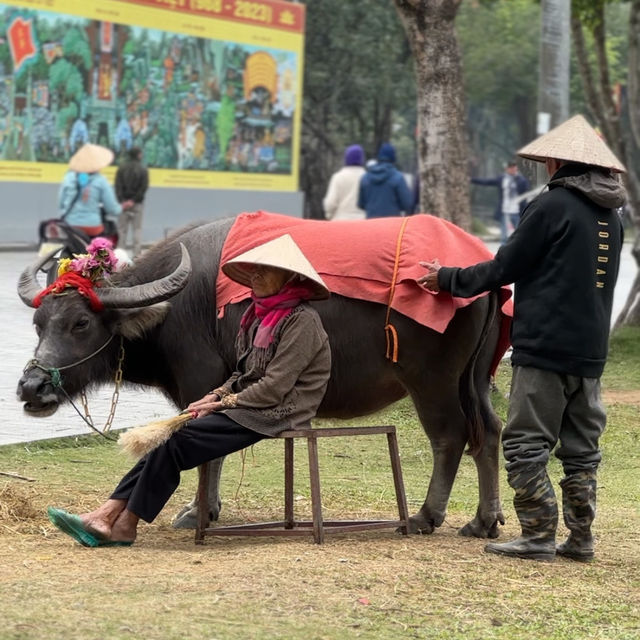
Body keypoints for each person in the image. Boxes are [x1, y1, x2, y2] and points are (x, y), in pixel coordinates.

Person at [418, 114, 627, 562]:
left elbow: (503, 269)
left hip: (545, 349)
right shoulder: (613, 214)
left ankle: (535, 535)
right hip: (591, 353)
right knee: (581, 449)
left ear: (555, 161)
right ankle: (580, 539)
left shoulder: (552, 206)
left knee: (526, 443)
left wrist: (446, 278)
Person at [46, 234, 332, 547]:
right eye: (254, 270)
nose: (256, 277)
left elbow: (276, 387)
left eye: (265, 271)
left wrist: (223, 405)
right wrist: (215, 395)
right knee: (168, 439)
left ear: (289, 279)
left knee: (177, 442)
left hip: (279, 412)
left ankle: (126, 522)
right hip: (250, 408)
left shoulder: (302, 322)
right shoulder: (257, 317)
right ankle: (107, 513)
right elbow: (243, 372)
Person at [58, 143, 122, 238]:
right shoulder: (101, 181)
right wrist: (120, 209)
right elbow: (111, 208)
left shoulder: (69, 178)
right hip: (93, 227)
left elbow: (61, 203)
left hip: (70, 225)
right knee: (102, 248)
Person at [472, 159, 530, 243]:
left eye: (514, 168)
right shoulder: (502, 179)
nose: (513, 170)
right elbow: (488, 182)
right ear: (507, 169)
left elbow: (526, 193)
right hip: (505, 211)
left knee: (519, 234)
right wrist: (473, 180)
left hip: (517, 211)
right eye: (510, 168)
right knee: (504, 236)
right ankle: (503, 254)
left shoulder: (521, 180)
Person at [358, 142, 414, 218]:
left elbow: (361, 204)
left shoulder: (365, 177)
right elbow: (407, 204)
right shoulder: (398, 177)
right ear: (393, 157)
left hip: (371, 223)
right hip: (392, 224)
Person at [115, 146, 150, 257]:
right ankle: (136, 257)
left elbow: (118, 186)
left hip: (123, 205)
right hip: (137, 205)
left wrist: (123, 201)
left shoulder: (121, 168)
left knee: (122, 231)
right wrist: (134, 200)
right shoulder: (143, 169)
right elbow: (143, 187)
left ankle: (119, 257)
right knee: (137, 230)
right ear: (139, 155)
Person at [322, 144, 366, 220]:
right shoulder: (366, 177)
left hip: (340, 222)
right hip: (362, 222)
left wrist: (329, 215)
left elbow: (330, 203)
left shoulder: (338, 177)